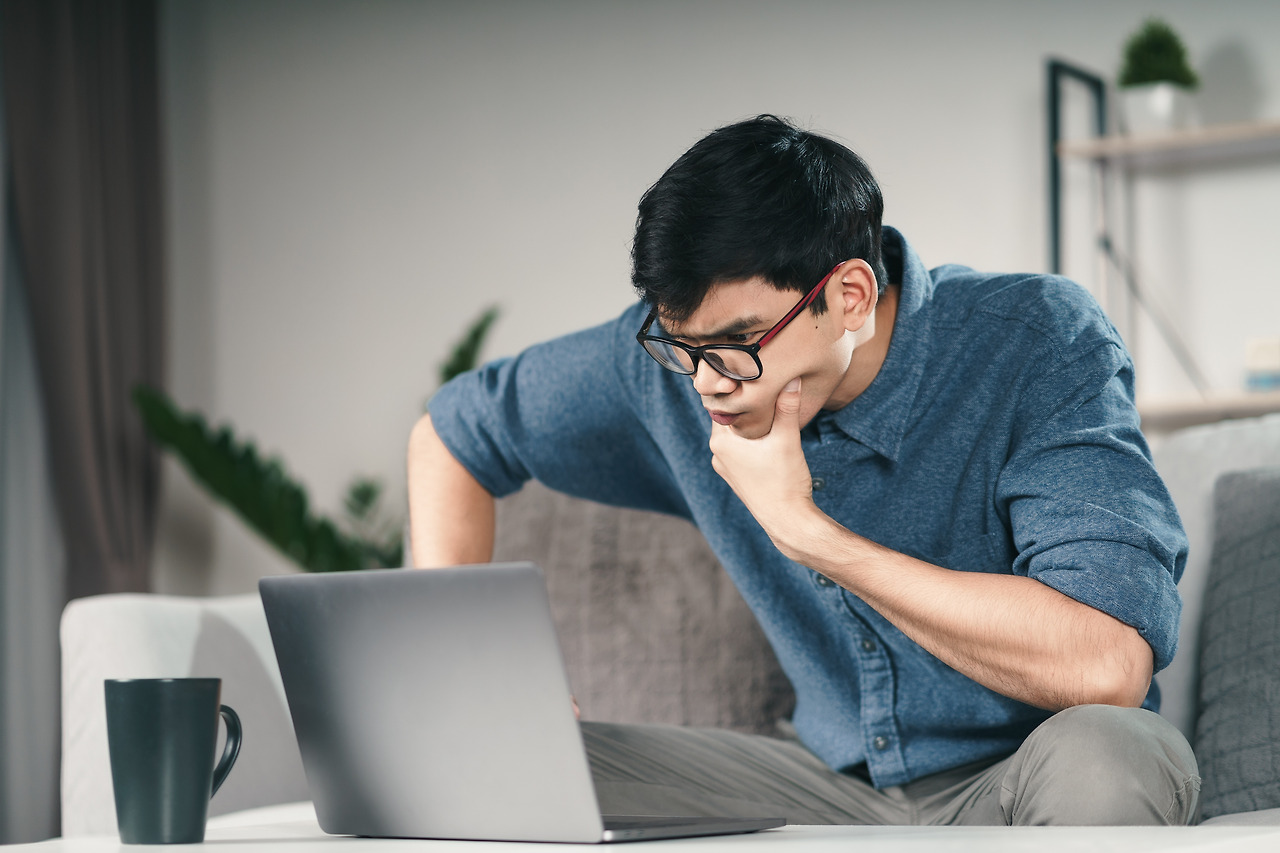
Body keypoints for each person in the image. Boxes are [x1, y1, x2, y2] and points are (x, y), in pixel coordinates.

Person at [406, 115, 1199, 825]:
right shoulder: (680, 366)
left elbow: (1106, 662)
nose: (709, 381)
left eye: (739, 341)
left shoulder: (1034, 338)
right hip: (819, 786)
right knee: (493, 768)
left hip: (1022, 779)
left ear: (850, 295)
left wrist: (808, 533)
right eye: (683, 346)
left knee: (1113, 755)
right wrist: (473, 672)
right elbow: (449, 433)